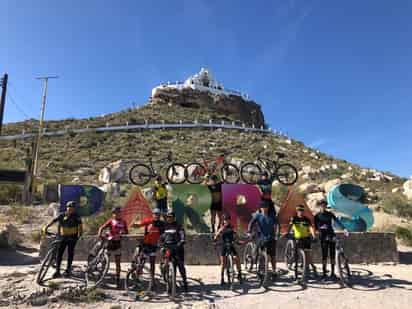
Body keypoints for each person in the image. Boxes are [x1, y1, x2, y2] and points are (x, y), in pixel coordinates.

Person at [42, 201, 83, 278]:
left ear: (74, 209)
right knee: (59, 254)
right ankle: (57, 271)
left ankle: (68, 270)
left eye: (72, 208)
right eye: (69, 207)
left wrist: (79, 236)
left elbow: (80, 227)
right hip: (62, 237)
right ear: (67, 208)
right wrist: (46, 227)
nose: (70, 209)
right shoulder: (62, 215)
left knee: (70, 253)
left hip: (72, 238)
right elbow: (53, 221)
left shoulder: (77, 216)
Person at [314, 199, 349, 280]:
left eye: (325, 205)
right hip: (323, 236)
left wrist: (344, 229)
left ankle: (333, 273)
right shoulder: (316, 216)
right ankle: (324, 273)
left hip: (331, 235)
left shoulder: (330, 214)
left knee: (332, 255)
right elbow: (315, 227)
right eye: (322, 205)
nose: (323, 207)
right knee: (324, 255)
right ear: (319, 206)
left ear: (326, 206)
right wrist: (320, 228)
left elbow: (337, 221)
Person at [132, 208, 165, 290]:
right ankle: (137, 279)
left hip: (154, 246)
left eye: (158, 214)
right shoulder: (148, 221)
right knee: (141, 262)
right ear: (152, 214)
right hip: (146, 245)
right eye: (155, 214)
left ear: (160, 215)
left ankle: (152, 281)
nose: (156, 215)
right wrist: (134, 224)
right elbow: (139, 225)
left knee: (152, 264)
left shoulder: (162, 224)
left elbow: (166, 231)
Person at [98, 206, 129, 287]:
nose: (118, 214)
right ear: (113, 214)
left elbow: (126, 232)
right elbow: (101, 228)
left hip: (118, 244)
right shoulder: (111, 221)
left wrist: (123, 233)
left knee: (118, 264)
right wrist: (100, 234)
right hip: (109, 243)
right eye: (116, 213)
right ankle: (101, 279)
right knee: (104, 262)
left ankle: (118, 281)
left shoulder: (124, 222)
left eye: (119, 212)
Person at [247, 200, 278, 279]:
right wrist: (249, 231)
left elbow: (277, 225)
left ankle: (274, 271)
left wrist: (277, 234)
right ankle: (259, 270)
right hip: (261, 238)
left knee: (273, 256)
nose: (264, 208)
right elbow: (251, 223)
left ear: (268, 208)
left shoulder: (272, 216)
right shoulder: (258, 216)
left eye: (266, 207)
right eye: (263, 207)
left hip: (271, 238)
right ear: (260, 208)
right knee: (260, 254)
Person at [160, 209, 188, 292]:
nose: (169, 218)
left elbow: (182, 233)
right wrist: (161, 244)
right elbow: (161, 237)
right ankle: (170, 284)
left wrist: (182, 240)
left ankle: (185, 282)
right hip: (167, 248)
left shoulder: (178, 225)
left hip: (177, 248)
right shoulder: (164, 226)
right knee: (167, 265)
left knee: (180, 266)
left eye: (171, 217)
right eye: (168, 217)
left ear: (174, 217)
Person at [287, 204, 317, 276]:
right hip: (297, 238)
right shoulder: (294, 218)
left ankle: (308, 267)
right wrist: (287, 232)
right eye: (299, 210)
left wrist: (314, 236)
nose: (301, 212)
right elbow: (290, 225)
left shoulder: (307, 219)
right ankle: (296, 268)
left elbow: (310, 228)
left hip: (306, 238)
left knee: (307, 254)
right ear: (297, 211)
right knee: (296, 254)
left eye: (302, 210)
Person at [214, 213, 243, 285]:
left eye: (228, 220)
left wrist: (238, 241)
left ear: (230, 220)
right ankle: (222, 278)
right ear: (223, 221)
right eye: (225, 220)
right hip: (224, 246)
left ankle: (239, 274)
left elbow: (236, 235)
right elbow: (217, 235)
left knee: (237, 258)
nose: (227, 221)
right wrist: (215, 240)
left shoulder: (232, 227)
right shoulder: (221, 228)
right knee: (223, 263)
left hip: (231, 245)